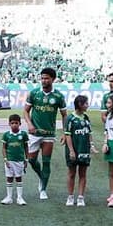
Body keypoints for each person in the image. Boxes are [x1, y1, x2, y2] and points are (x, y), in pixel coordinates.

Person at [25, 67, 66, 201]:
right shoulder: (34, 93)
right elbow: (25, 111)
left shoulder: (58, 96)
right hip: (34, 133)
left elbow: (64, 115)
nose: (44, 80)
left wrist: (65, 133)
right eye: (42, 78)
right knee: (31, 160)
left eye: (47, 78)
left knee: (46, 162)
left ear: (53, 79)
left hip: (49, 134)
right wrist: (30, 124)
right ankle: (42, 177)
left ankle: (43, 189)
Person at [62, 95, 91, 207]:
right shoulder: (70, 118)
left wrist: (91, 145)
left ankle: (80, 197)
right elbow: (68, 135)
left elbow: (89, 133)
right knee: (71, 173)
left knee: (83, 174)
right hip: (73, 149)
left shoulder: (86, 118)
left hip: (84, 149)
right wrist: (71, 151)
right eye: (86, 103)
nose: (87, 105)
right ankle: (70, 196)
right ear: (80, 104)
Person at [0, 113, 29, 206]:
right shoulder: (6, 135)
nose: (14, 125)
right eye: (12, 123)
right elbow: (4, 148)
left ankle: (19, 197)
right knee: (9, 178)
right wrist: (5, 159)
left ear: (20, 123)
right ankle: (9, 197)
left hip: (19, 160)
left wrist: (26, 159)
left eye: (16, 123)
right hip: (9, 161)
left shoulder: (23, 134)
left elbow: (26, 147)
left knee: (18, 178)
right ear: (9, 124)